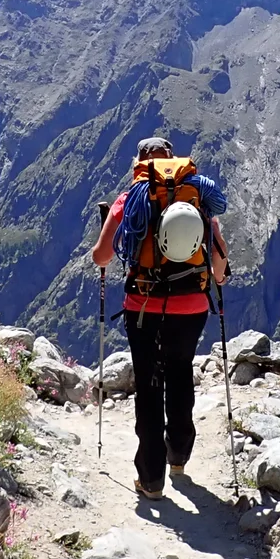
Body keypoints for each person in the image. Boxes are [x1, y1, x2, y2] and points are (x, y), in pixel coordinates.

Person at [90, 136, 228, 500]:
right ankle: (179, 456)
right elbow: (219, 266)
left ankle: (151, 480)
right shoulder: (195, 196)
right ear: (172, 160)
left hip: (143, 307)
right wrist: (217, 277)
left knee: (149, 387)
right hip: (192, 306)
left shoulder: (130, 199)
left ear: (140, 162)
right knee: (181, 372)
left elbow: (101, 257)